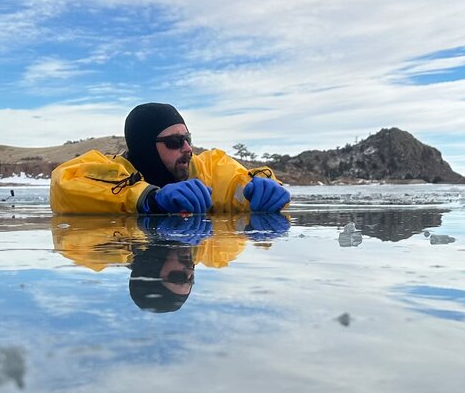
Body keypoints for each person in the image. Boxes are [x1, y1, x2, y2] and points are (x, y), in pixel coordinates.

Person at [51, 102, 292, 215]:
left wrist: (264, 191)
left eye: (188, 138)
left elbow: (236, 183)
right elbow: (65, 185)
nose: (187, 148)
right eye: (175, 142)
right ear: (145, 146)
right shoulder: (114, 172)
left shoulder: (206, 169)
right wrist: (149, 199)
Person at [51, 213, 289, 313]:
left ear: (152, 271)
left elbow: (232, 178)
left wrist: (263, 185)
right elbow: (70, 183)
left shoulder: (113, 247)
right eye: (190, 278)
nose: (189, 270)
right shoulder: (216, 250)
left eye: (178, 276)